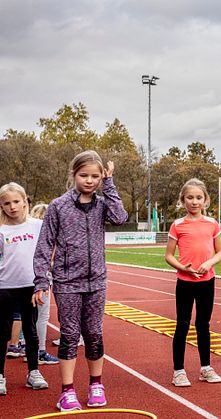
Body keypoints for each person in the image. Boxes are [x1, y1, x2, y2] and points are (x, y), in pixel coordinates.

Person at [33, 150, 128, 411]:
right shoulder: (58, 206)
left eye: (95, 176)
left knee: (94, 334)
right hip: (67, 283)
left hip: (96, 281)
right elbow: (44, 245)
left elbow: (121, 217)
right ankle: (67, 391)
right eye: (84, 175)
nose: (89, 180)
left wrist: (109, 184)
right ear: (74, 174)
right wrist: (42, 280)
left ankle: (96, 385)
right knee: (70, 335)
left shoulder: (102, 205)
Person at [165, 178, 221, 388]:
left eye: (199, 197)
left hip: (207, 281)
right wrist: (183, 268)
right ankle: (178, 371)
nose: (194, 201)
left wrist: (209, 263)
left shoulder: (212, 224)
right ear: (182, 200)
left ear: (205, 200)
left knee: (203, 325)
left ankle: (205, 368)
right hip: (185, 282)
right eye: (189, 197)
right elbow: (169, 256)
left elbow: (220, 253)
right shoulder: (178, 225)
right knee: (182, 325)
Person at [0, 182, 49, 396]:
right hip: (4, 286)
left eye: (16, 201)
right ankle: (0, 375)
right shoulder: (1, 229)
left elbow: (48, 251)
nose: (12, 207)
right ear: (1, 206)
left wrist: (43, 279)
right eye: (7, 203)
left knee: (31, 330)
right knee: (2, 331)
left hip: (31, 285)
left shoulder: (37, 226)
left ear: (25, 201)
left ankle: (33, 372)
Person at [26, 204, 59, 366]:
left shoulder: (27, 228)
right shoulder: (45, 230)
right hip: (40, 276)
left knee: (25, 316)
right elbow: (51, 253)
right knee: (41, 316)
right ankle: (39, 351)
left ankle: (25, 346)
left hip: (22, 276)